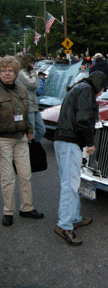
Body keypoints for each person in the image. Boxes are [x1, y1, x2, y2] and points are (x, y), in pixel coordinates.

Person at [53, 70, 108, 246]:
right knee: (70, 185)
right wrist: (90, 143)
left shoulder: (79, 87)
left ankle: (74, 217)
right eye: (103, 89)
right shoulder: (86, 91)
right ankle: (64, 226)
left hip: (64, 140)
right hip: (70, 142)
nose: (102, 93)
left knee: (72, 182)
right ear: (100, 86)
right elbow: (82, 119)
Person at [0, 55, 44, 227]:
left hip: (21, 138)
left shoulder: (21, 89)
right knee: (8, 178)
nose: (6, 74)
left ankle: (26, 208)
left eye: (10, 70)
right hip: (3, 139)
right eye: (3, 70)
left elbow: (26, 113)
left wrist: (30, 130)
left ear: (16, 72)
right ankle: (8, 211)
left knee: (25, 175)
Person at [16, 54, 46, 142]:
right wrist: (33, 72)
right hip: (28, 104)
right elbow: (34, 84)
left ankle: (34, 145)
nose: (32, 66)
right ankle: (29, 147)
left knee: (41, 129)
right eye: (30, 63)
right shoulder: (22, 73)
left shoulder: (28, 73)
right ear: (25, 63)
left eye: (33, 64)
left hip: (34, 104)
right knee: (30, 131)